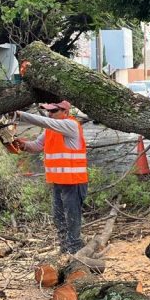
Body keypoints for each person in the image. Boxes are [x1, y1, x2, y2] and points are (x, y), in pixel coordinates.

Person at [12, 101, 88, 254]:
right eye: (48, 111)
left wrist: (19, 115)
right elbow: (37, 146)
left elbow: (44, 122)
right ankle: (65, 248)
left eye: (54, 111)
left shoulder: (70, 125)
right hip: (59, 182)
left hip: (74, 182)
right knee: (58, 217)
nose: (50, 114)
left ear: (65, 112)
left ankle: (75, 249)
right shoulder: (50, 130)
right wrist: (23, 145)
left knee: (72, 217)